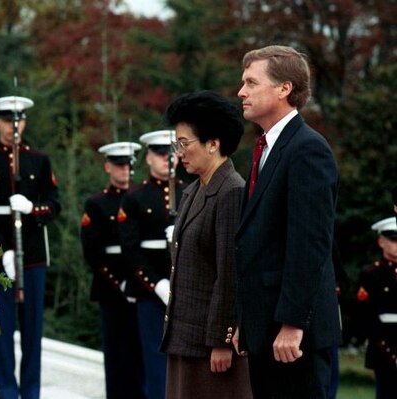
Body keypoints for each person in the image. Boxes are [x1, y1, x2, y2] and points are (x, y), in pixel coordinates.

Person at [234, 45, 341, 398]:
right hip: (267, 329)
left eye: (251, 82)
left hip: (294, 338)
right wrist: (246, 323)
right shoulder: (268, 148)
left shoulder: (307, 149)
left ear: (284, 89)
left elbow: (309, 245)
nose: (241, 92)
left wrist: (293, 324)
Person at [0, 95, 61, 399]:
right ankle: (7, 388)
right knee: (1, 327)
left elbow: (54, 206)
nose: (13, 126)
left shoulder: (38, 160)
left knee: (33, 330)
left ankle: (31, 391)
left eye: (18, 120)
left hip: (32, 255)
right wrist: (1, 248)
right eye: (7, 120)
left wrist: (33, 208)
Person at [160, 91, 251, 399]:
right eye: (177, 144)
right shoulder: (195, 190)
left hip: (211, 348)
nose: (179, 153)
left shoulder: (231, 192)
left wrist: (222, 341)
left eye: (184, 144)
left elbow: (229, 273)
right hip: (186, 338)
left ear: (213, 143)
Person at [118, 130, 183, 399]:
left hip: (185, 288)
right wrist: (156, 284)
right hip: (150, 290)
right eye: (160, 153)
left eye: (172, 151)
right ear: (148, 158)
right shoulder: (135, 197)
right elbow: (130, 249)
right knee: (155, 359)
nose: (167, 158)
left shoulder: (190, 191)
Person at [80, 141, 147, 399]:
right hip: (112, 290)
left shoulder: (141, 199)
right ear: (108, 167)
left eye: (129, 165)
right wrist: (118, 283)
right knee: (117, 355)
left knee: (141, 353)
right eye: (119, 165)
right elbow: (93, 253)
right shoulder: (97, 204)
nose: (125, 171)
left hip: (141, 286)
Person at [355, 216, 397, 399]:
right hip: (383, 344)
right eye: (393, 240)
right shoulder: (372, 274)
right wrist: (383, 346)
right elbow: (365, 315)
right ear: (381, 241)